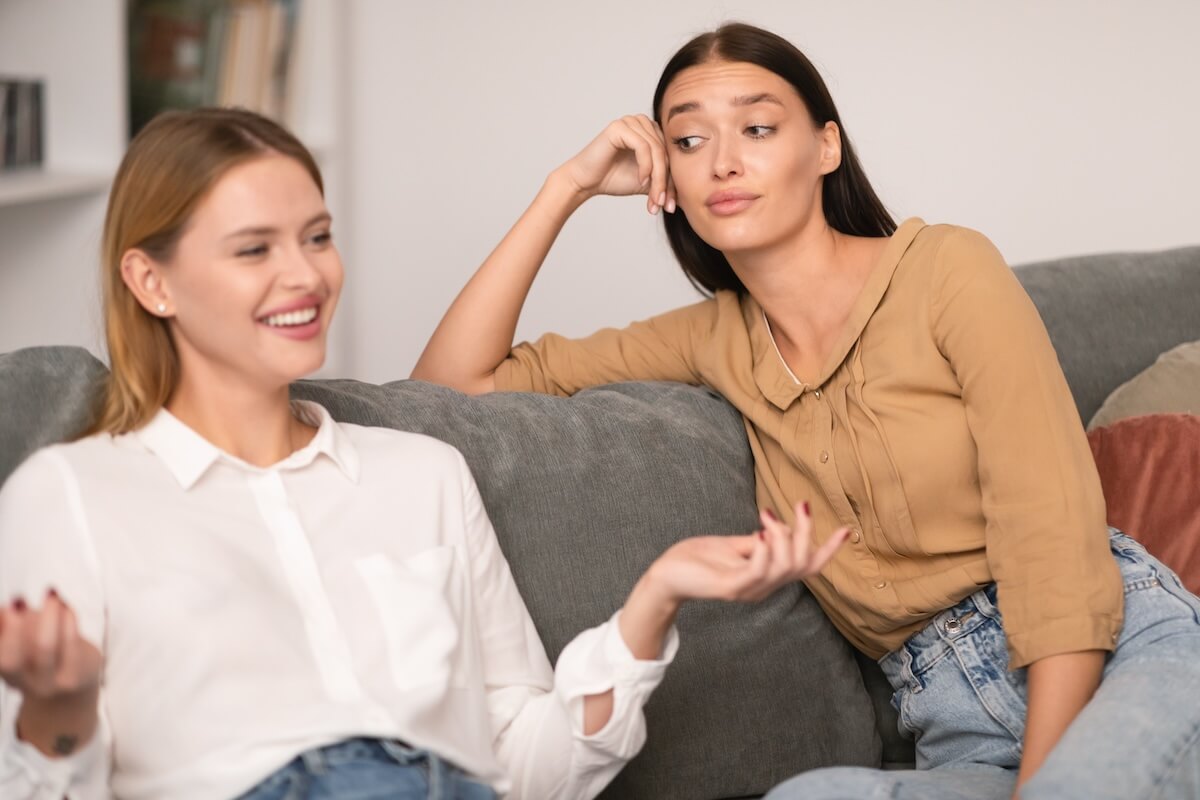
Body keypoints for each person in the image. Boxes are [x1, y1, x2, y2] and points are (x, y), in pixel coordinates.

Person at [411, 22, 1200, 800]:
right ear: (668, 182)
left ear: (826, 147)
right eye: (687, 142)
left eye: (757, 128)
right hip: (954, 718)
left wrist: (1044, 782)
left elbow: (1051, 536)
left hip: (1119, 654)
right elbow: (447, 390)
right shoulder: (711, 338)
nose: (723, 161)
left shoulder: (948, 271)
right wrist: (566, 188)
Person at [0, 107, 846, 800]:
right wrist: (61, 708)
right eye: (255, 249)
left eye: (318, 237)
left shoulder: (420, 472)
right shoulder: (73, 493)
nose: (304, 276)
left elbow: (525, 767)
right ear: (151, 282)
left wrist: (657, 598)